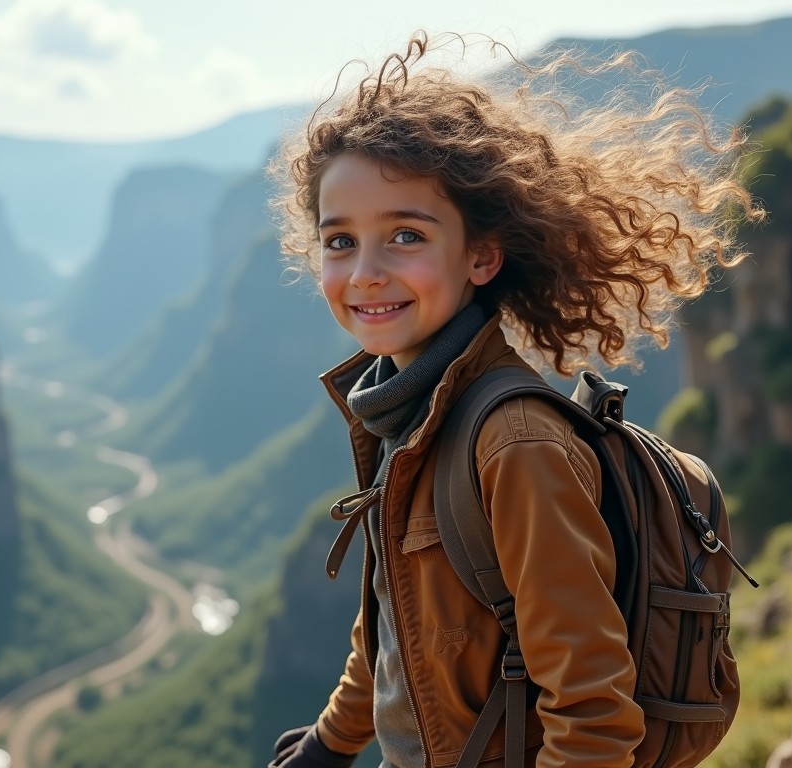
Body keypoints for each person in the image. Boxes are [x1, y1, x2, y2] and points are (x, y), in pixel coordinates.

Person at [266, 31, 763, 768]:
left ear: (481, 256)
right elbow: (395, 626)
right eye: (339, 242)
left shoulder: (513, 444)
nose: (365, 273)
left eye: (404, 234)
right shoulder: (406, 414)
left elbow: (592, 714)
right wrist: (330, 743)